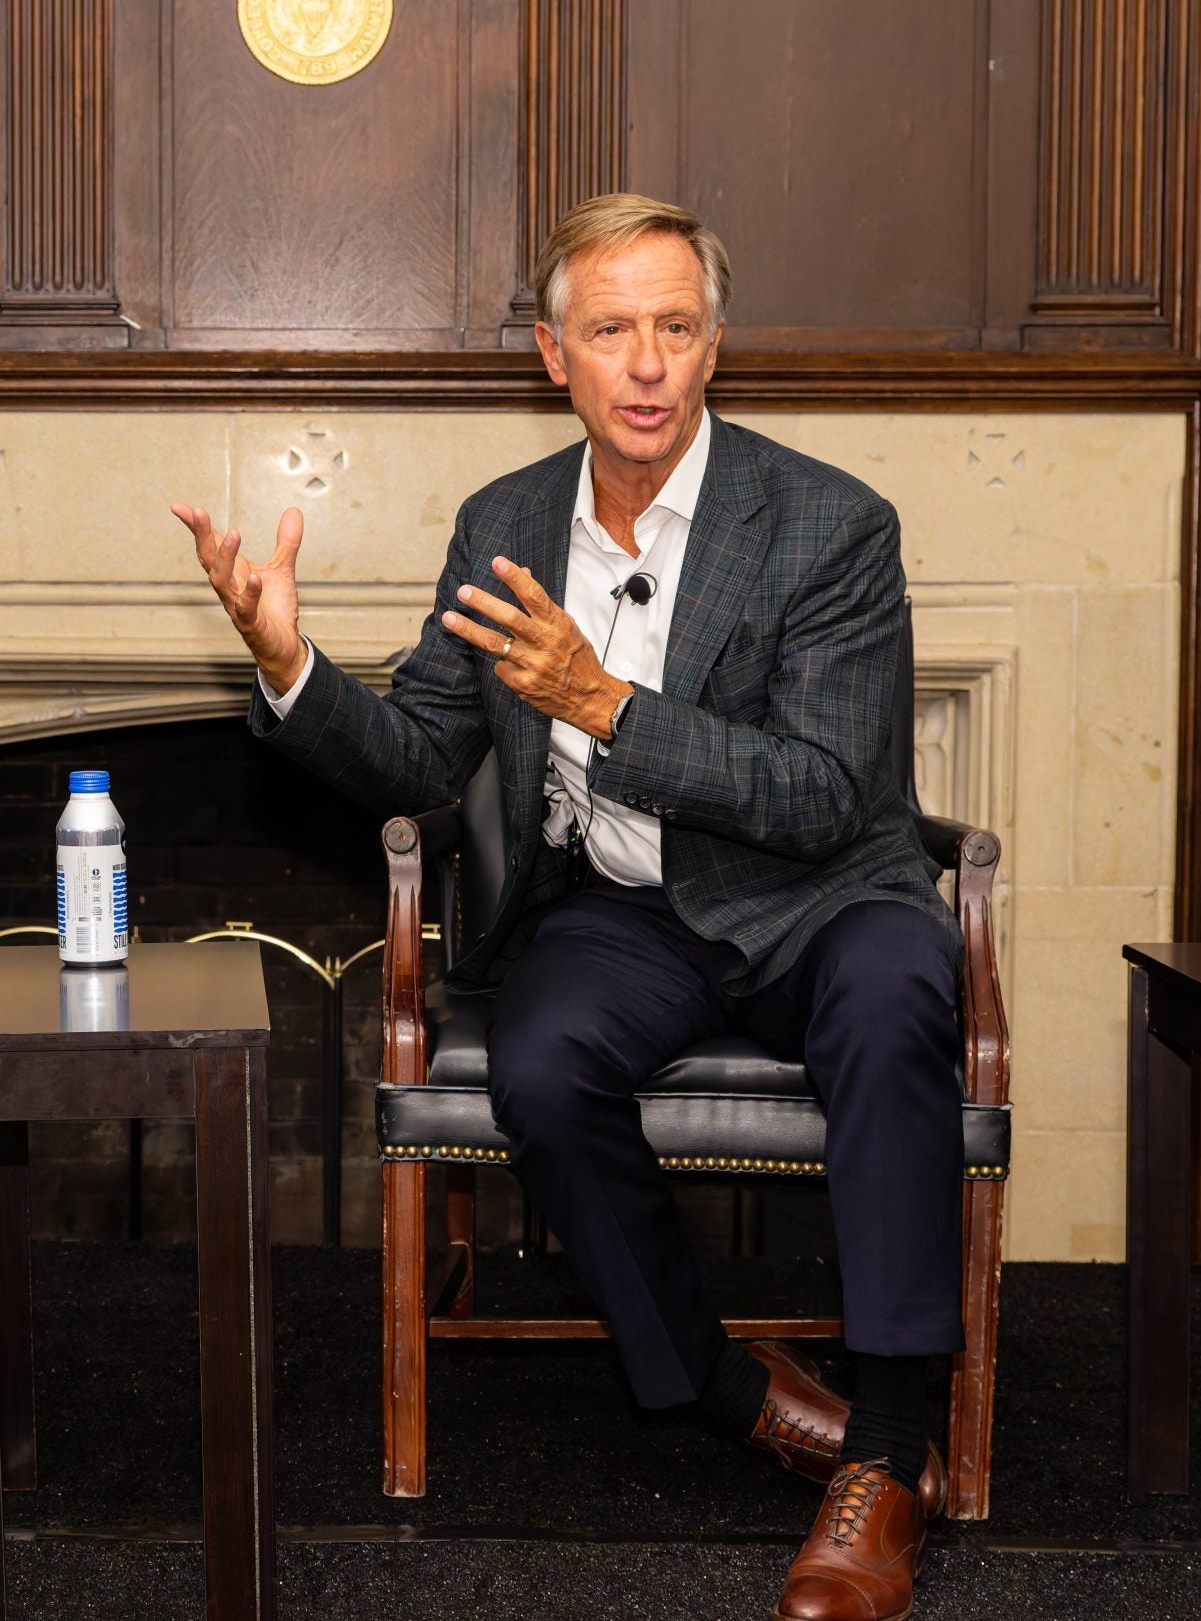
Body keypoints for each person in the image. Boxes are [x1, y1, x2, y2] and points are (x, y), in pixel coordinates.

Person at [175, 193, 962, 1621]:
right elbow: (421, 754)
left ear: (716, 346)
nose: (647, 363)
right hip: (622, 909)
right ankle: (728, 1389)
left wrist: (603, 703)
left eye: (675, 327)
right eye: (612, 331)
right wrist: (293, 669)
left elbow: (827, 794)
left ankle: (890, 1450)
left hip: (818, 899)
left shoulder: (832, 524)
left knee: (902, 998)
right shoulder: (508, 521)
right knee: (539, 1061)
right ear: (557, 355)